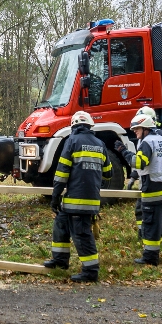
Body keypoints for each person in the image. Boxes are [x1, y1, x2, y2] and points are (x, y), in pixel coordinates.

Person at [42, 111, 112, 282]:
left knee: (82, 235)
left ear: (73, 126)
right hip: (89, 199)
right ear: (90, 126)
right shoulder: (100, 144)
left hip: (76, 199)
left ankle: (90, 271)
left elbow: (61, 173)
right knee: (61, 224)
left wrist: (55, 196)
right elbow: (108, 173)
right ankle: (60, 261)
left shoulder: (72, 141)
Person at [112, 112, 162, 265]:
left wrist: (123, 151)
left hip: (154, 192)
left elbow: (139, 163)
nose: (135, 132)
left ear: (145, 128)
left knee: (151, 226)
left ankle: (150, 258)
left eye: (137, 129)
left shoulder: (147, 142)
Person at [127, 105, 162, 240]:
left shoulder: (155, 137)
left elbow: (147, 161)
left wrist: (125, 153)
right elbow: (141, 159)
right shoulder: (143, 138)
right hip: (148, 180)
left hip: (154, 183)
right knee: (140, 209)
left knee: (150, 211)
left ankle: (151, 235)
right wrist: (134, 176)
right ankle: (143, 232)